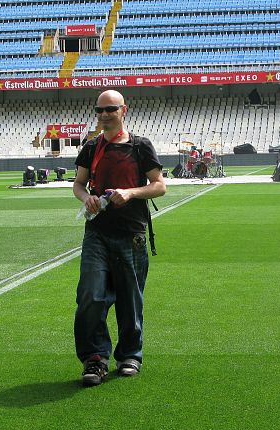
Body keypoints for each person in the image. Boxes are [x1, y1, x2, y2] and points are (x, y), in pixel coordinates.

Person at [72, 90, 166, 386]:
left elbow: (159, 186)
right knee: (90, 294)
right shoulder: (90, 147)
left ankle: (129, 355)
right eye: (99, 110)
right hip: (97, 233)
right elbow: (78, 184)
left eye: (109, 109)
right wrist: (86, 197)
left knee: (130, 299)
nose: (103, 114)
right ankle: (95, 358)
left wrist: (130, 193)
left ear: (124, 110)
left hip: (132, 234)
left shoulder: (140, 147)